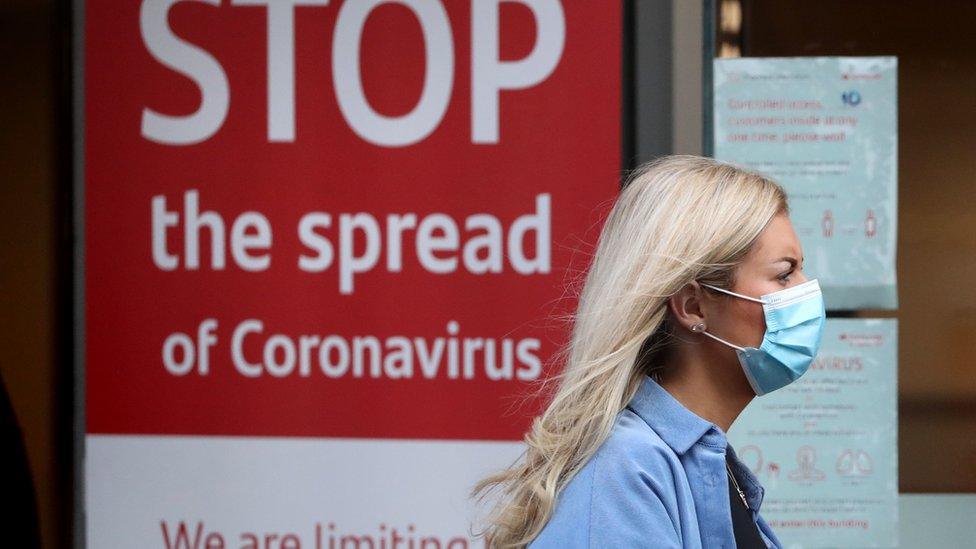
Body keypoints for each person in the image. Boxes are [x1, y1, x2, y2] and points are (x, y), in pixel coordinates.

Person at [469, 155, 826, 548]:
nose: (807, 290)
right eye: (784, 273)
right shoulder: (624, 472)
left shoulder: (701, 463)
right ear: (694, 306)